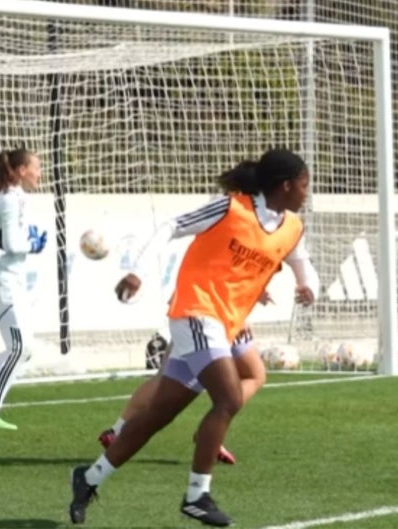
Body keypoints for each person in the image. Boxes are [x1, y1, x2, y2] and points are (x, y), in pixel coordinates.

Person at [69, 148, 313, 527]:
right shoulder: (231, 209)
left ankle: (89, 477)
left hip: (225, 325)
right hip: (196, 313)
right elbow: (171, 225)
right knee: (229, 399)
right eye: (303, 184)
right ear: (285, 185)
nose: (306, 192)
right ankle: (197, 496)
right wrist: (137, 272)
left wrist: (308, 285)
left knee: (157, 417)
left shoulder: (291, 226)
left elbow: (300, 259)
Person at [0, 148, 47, 430]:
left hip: (8, 278)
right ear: (21, 171)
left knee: (23, 350)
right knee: (19, 348)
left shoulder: (11, 197)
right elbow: (11, 244)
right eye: (36, 167)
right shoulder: (10, 199)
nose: (40, 173)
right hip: (1, 279)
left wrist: (26, 240)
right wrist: (32, 244)